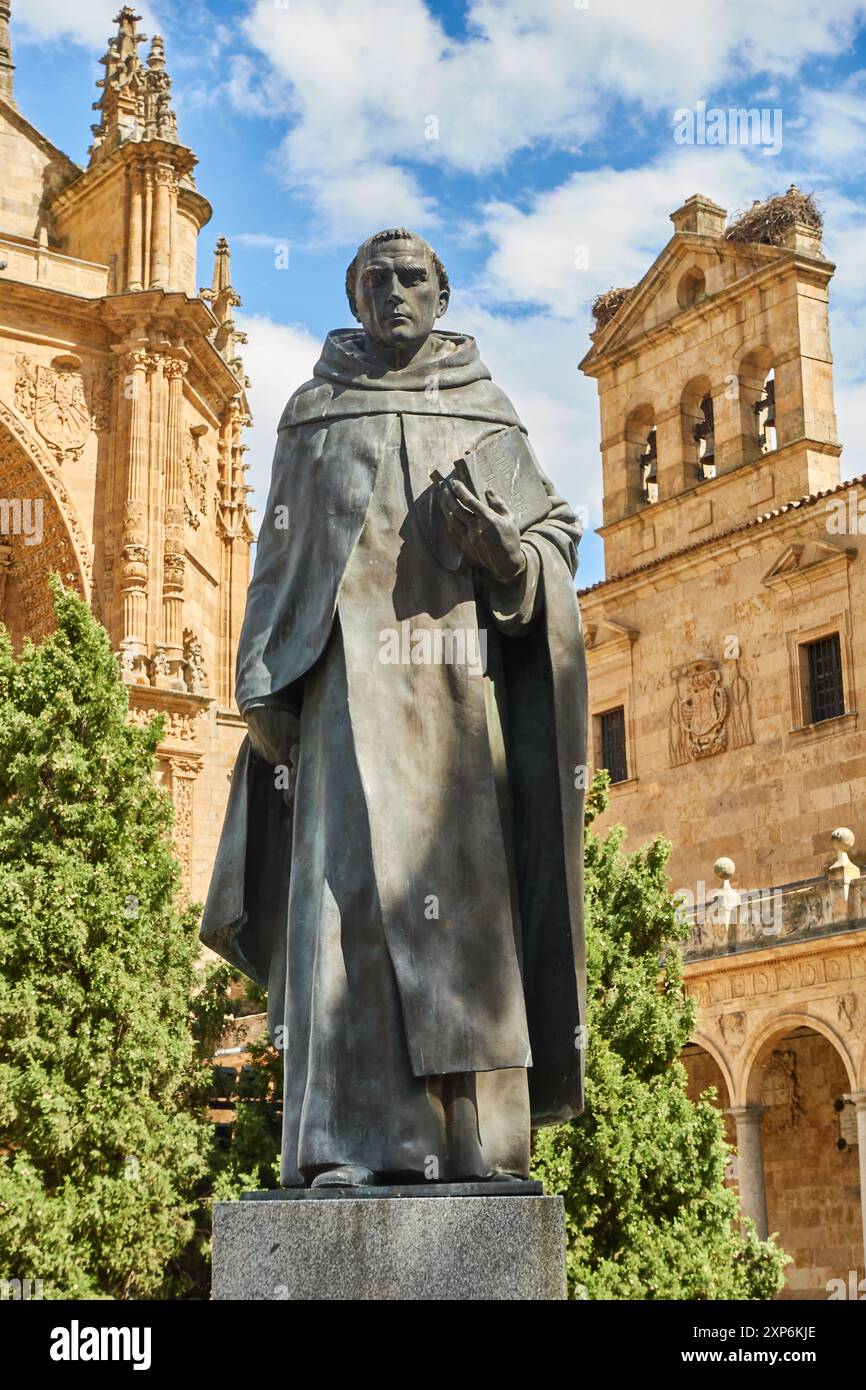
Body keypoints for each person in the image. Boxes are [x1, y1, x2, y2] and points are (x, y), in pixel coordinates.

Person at [201, 228, 587, 1188]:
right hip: (339, 698)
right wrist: (261, 684)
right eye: (374, 279)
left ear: (442, 293)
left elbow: (556, 541)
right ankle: (346, 1144)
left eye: (412, 277)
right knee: (351, 915)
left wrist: (508, 553)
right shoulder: (313, 413)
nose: (394, 292)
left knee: (462, 920)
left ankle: (475, 1149)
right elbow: (274, 561)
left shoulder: (486, 414)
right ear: (354, 296)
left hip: (456, 704)